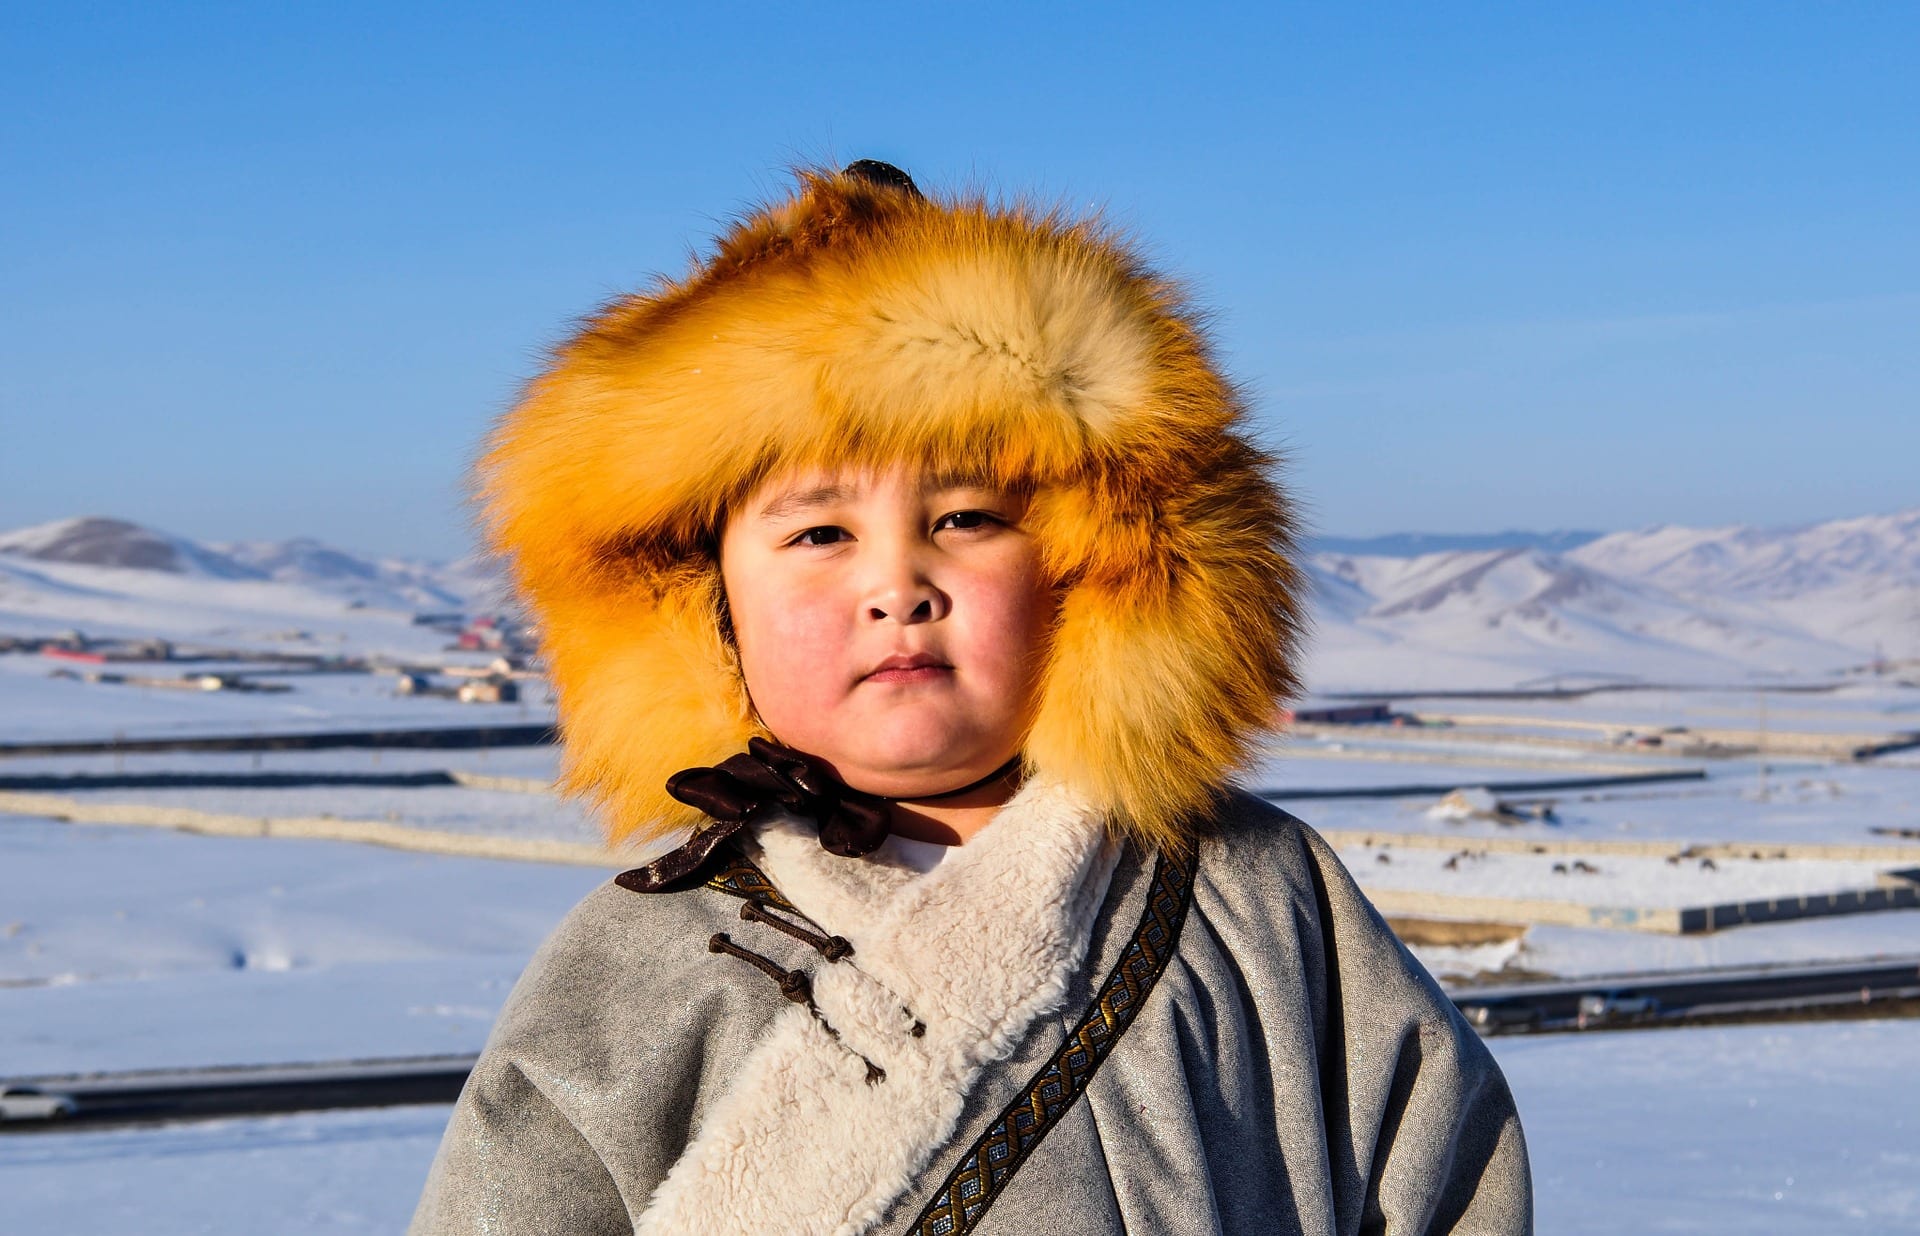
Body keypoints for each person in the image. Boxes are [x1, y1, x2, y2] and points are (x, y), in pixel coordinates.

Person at [409, 160, 1531, 1235]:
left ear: (1100, 576)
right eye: (818, 534)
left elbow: (1448, 1184)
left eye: (967, 519)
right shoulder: (637, 963)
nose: (898, 585)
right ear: (701, 612)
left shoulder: (1259, 895)